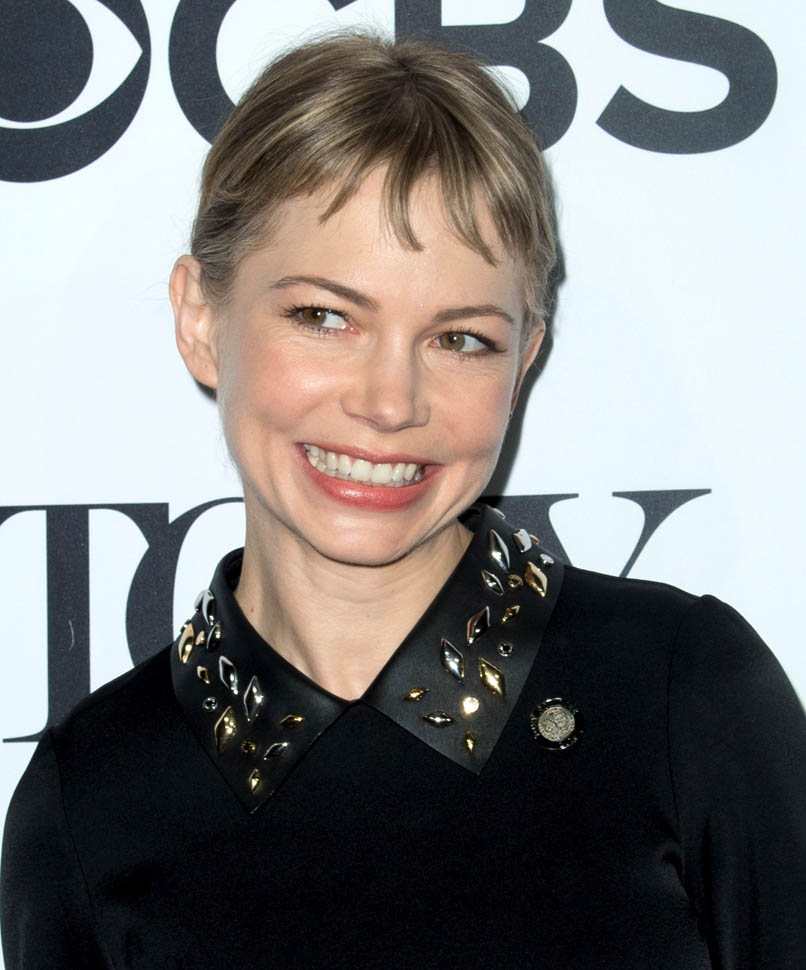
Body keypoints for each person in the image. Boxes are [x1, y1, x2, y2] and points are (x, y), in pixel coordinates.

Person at [2, 30, 805, 970]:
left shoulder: (682, 696)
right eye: (324, 317)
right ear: (200, 318)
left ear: (525, 357)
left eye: (459, 339)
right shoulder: (90, 794)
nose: (390, 403)